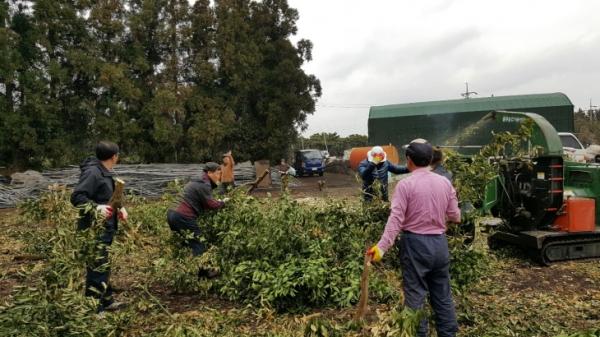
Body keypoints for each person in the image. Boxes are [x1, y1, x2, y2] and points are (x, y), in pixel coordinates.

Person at [367, 139, 461, 337]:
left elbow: (396, 220)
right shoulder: (445, 182)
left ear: (408, 160)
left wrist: (381, 248)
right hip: (439, 244)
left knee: (416, 297)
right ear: (430, 159)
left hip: (415, 245)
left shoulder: (405, 185)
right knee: (443, 295)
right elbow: (455, 216)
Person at [71, 141, 128, 312]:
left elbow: (108, 196)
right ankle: (94, 308)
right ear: (114, 156)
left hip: (106, 227)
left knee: (103, 265)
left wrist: (120, 207)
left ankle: (107, 300)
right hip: (94, 229)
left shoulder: (105, 171)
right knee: (97, 267)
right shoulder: (92, 173)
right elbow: (77, 197)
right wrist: (97, 207)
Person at [167, 162, 226, 278]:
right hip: (182, 216)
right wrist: (223, 203)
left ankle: (183, 272)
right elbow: (210, 204)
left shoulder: (199, 181)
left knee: (187, 243)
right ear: (209, 173)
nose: (219, 177)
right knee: (199, 242)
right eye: (218, 173)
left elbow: (205, 200)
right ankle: (204, 272)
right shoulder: (204, 184)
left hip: (172, 214)